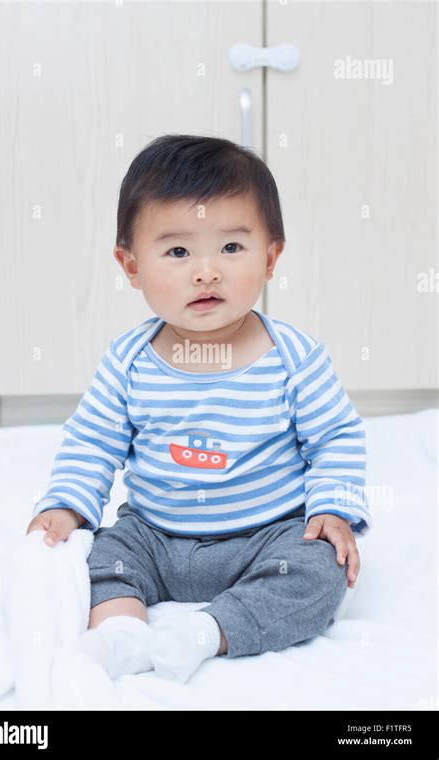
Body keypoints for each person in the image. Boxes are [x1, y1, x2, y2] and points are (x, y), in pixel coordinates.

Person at [26, 134, 371, 684]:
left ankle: (210, 631)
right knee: (98, 556)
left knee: (323, 570)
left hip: (266, 535)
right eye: (179, 251)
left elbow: (335, 439)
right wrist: (67, 505)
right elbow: (94, 442)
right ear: (131, 265)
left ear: (271, 256)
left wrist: (332, 505)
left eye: (231, 248)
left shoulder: (294, 358)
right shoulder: (129, 361)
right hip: (157, 536)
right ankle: (122, 636)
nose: (206, 271)